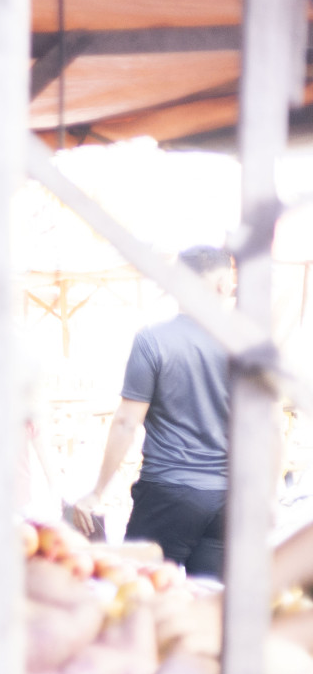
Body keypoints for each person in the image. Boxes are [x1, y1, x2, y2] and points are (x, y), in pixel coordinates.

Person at [70, 245, 235, 577]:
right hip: (227, 497)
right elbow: (270, 425)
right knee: (207, 605)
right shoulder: (246, 344)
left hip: (168, 494)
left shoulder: (153, 341)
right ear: (224, 284)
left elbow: (127, 422)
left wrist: (98, 492)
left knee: (136, 595)